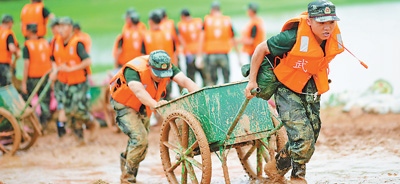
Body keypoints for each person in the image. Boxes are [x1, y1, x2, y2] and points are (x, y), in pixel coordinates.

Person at [245, 0, 344, 183]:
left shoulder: (331, 37)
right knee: (303, 137)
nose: (327, 27)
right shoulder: (291, 37)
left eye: (331, 22)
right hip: (287, 86)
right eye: (321, 22)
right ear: (309, 21)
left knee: (312, 134)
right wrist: (251, 81)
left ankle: (278, 165)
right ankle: (297, 178)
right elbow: (260, 49)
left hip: (310, 86)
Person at [109, 50, 199, 183]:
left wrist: (200, 94)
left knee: (140, 144)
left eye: (165, 74)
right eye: (158, 75)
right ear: (149, 67)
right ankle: (128, 180)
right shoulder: (133, 70)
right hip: (124, 104)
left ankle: (126, 173)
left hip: (144, 106)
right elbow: (139, 92)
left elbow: (185, 81)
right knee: (140, 139)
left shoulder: (167, 65)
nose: (161, 78)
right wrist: (157, 106)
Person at [50, 16, 98, 144]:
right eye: (59, 26)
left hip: (78, 82)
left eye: (64, 26)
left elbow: (88, 60)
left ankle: (92, 123)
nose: (60, 29)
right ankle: (79, 139)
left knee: (78, 110)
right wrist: (54, 71)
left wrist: (71, 69)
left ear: (70, 28)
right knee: (68, 111)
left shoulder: (77, 43)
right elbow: (53, 59)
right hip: (63, 82)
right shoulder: (55, 42)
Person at [198, 1, 239, 86]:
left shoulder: (207, 20)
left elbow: (201, 39)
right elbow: (233, 39)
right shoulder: (227, 20)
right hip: (224, 54)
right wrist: (239, 55)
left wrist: (200, 56)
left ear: (211, 10)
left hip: (211, 55)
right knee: (226, 80)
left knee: (212, 81)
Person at [21, 23, 52, 129]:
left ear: (28, 32)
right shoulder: (45, 43)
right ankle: (44, 123)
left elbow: (26, 64)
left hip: (33, 78)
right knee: (45, 100)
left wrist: (23, 82)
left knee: (26, 99)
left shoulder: (27, 45)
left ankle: (35, 121)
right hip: (45, 76)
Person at [177, 8, 205, 87]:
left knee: (191, 76)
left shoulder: (181, 25)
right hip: (199, 52)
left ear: (182, 16)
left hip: (189, 53)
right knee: (204, 75)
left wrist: (187, 51)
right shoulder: (198, 22)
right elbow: (202, 36)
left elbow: (181, 40)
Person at [0, 14, 20, 87]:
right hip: (4, 64)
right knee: (6, 86)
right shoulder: (8, 33)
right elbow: (11, 47)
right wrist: (17, 53)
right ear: (10, 22)